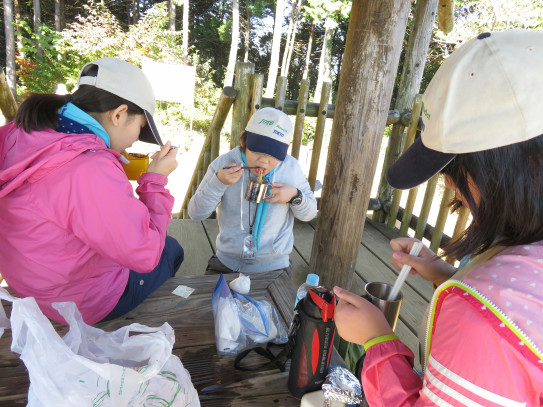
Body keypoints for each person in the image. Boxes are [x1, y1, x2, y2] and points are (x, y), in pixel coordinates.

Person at [333, 30, 543, 406]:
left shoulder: (482, 324)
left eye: (456, 167)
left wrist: (377, 342)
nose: (448, 185)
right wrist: (447, 276)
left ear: (525, 165)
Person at [0, 57, 183, 325]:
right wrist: (154, 180)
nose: (134, 139)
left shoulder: (21, 130)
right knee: (171, 249)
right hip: (78, 304)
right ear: (119, 114)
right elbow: (145, 254)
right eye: (140, 128)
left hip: (29, 287)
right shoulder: (90, 166)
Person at [188, 107, 317, 274]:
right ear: (243, 140)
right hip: (227, 262)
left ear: (285, 150)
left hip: (274, 265)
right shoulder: (224, 165)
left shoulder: (291, 168)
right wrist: (218, 183)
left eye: (273, 154)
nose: (264, 161)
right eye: (256, 151)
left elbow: (309, 213)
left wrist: (294, 196)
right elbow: (195, 213)